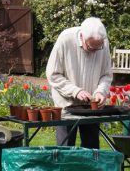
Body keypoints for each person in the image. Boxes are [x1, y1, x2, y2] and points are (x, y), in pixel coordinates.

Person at [46, 17, 112, 148]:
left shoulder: (102, 43)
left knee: (92, 149)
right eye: (91, 47)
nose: (95, 51)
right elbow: (53, 74)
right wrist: (76, 91)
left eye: (98, 48)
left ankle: (89, 169)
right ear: (82, 36)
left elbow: (106, 74)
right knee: (65, 150)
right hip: (66, 106)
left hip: (91, 108)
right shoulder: (66, 39)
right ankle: (65, 169)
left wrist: (101, 92)